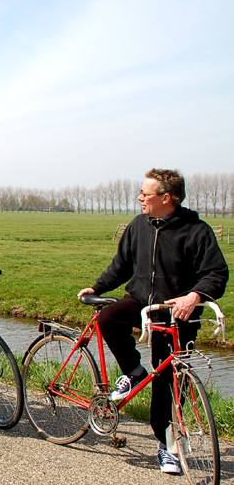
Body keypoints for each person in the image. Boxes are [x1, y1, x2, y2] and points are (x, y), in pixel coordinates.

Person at [77, 169, 228, 475]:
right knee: (108, 317)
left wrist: (195, 296)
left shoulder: (197, 231)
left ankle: (167, 444)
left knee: (169, 383)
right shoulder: (138, 225)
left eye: (145, 194)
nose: (140, 198)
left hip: (177, 312)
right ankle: (133, 371)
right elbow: (120, 265)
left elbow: (217, 273)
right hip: (141, 301)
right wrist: (97, 287)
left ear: (165, 198)